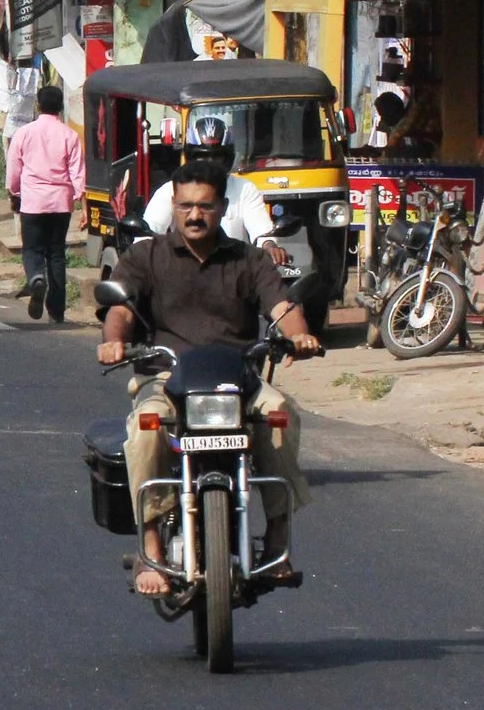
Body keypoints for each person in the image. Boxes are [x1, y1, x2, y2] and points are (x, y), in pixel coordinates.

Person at [99, 160, 323, 591]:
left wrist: (300, 336)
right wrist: (114, 341)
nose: (194, 215)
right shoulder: (146, 256)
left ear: (222, 207)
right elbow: (120, 308)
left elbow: (281, 308)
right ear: (173, 206)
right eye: (185, 206)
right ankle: (151, 549)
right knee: (144, 431)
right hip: (166, 378)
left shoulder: (250, 259)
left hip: (238, 380)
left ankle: (277, 536)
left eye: (205, 206)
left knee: (279, 414)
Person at [138, 116, 279, 255]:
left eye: (217, 157)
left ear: (223, 205)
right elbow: (151, 228)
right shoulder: (170, 190)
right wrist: (142, 249)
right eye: (202, 157)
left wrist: (269, 246)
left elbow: (261, 231)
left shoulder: (244, 189)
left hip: (235, 271)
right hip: (183, 272)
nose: (209, 164)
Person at [6, 85, 84, 324]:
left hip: (33, 202)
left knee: (32, 249)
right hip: (61, 204)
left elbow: (13, 171)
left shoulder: (24, 133)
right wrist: (82, 200)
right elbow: (78, 172)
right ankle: (57, 312)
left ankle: (36, 278)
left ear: (38, 105)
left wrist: (15, 192)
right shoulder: (69, 135)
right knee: (57, 255)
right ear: (60, 107)